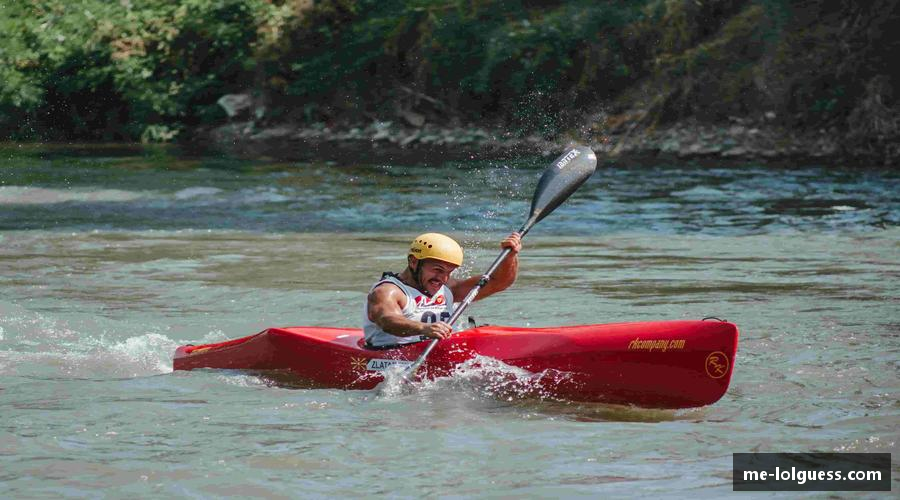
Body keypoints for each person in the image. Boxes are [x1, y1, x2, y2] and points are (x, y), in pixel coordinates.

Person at [363, 232, 522, 348]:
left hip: (435, 351)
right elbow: (387, 321)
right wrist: (425, 328)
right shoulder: (388, 291)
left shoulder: (448, 288)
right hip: (390, 356)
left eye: (449, 272)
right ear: (413, 262)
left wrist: (510, 255)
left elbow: (499, 282)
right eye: (438, 270)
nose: (443, 278)